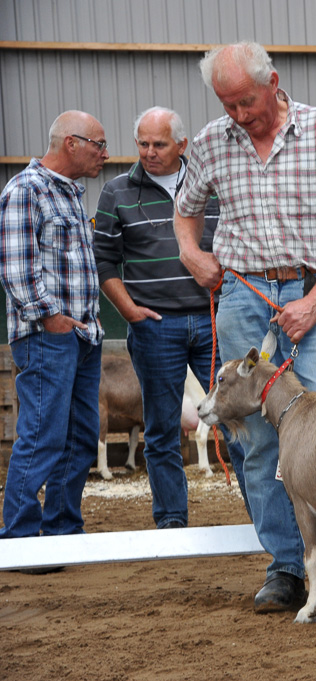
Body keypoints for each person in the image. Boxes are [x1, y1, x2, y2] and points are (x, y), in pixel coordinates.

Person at [173, 42, 316, 613]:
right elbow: (185, 211)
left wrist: (315, 300)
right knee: (253, 437)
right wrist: (191, 253)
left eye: (247, 101)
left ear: (274, 83)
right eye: (227, 103)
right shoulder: (213, 141)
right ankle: (287, 565)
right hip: (243, 296)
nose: (239, 114)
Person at [93, 106, 248, 529]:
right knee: (161, 429)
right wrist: (127, 309)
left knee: (238, 420)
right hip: (154, 326)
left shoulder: (213, 187)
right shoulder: (117, 192)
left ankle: (263, 519)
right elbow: (104, 261)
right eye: (142, 143)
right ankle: (171, 524)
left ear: (183, 145)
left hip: (217, 320)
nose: (148, 152)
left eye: (159, 144)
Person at [0, 111, 109, 560]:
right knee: (43, 434)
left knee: (82, 434)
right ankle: (20, 539)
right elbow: (17, 268)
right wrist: (51, 318)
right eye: (98, 145)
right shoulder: (26, 191)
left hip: (83, 335)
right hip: (48, 335)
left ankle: (62, 528)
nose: (105, 153)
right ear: (71, 143)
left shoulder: (70, 194)